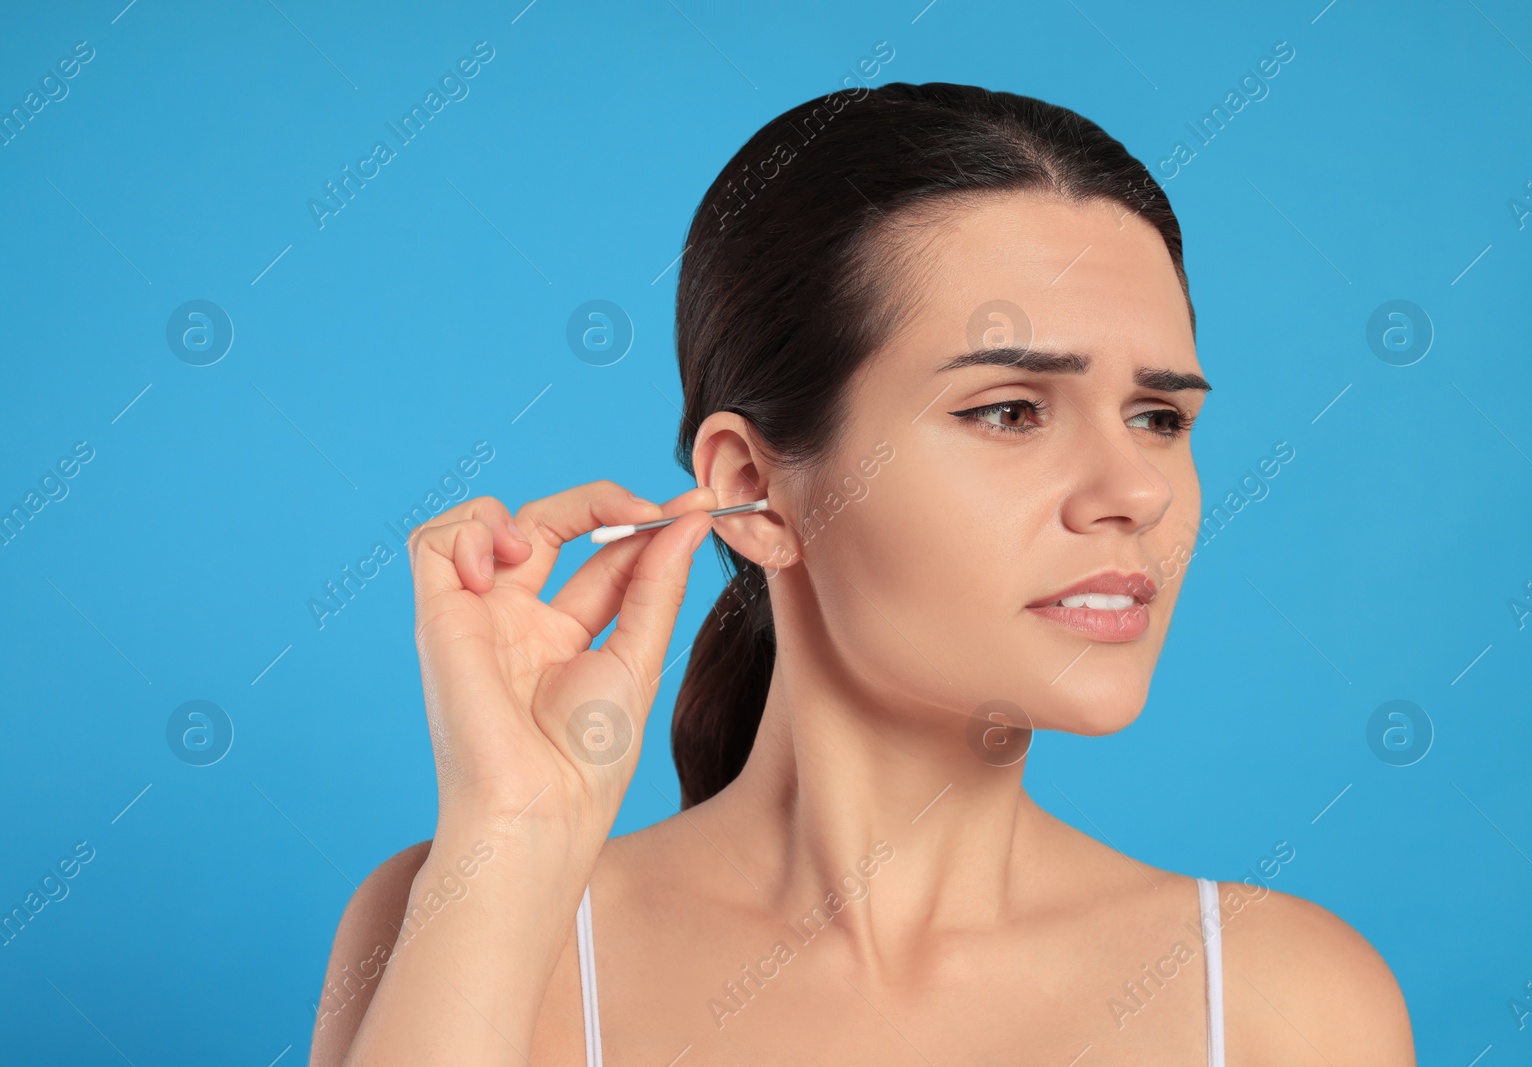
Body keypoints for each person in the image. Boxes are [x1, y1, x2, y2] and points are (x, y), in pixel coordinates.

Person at [309, 81, 1415, 1065]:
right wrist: (509, 836)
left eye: (1158, 415)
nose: (1137, 491)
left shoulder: (1286, 1003)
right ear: (757, 487)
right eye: (1011, 410)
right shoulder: (462, 916)